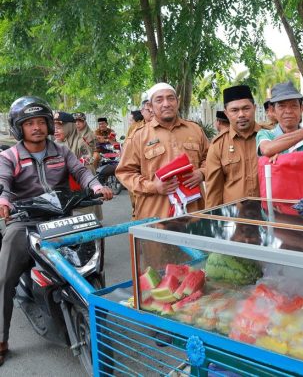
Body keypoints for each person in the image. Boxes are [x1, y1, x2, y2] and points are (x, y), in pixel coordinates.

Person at [0, 97, 113, 365]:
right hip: (23, 222)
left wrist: (96, 186)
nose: (36, 127)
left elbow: (82, 172)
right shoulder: (9, 156)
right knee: (4, 278)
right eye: (29, 123)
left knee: (92, 259)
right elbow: (3, 181)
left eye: (41, 122)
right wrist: (4, 200)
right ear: (19, 128)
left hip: (62, 218)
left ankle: (98, 311)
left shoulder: (62, 151)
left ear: (49, 125)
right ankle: (2, 337)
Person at [116, 83, 209, 219]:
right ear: (150, 106)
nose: (166, 104)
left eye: (171, 98)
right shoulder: (139, 136)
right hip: (156, 215)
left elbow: (211, 159)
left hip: (195, 212)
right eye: (159, 100)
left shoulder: (195, 130)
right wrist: (153, 186)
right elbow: (125, 172)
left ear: (177, 102)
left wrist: (201, 173)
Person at [206, 85, 266, 208]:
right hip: (234, 218)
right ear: (226, 113)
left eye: (246, 108)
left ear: (254, 108)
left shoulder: (269, 137)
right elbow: (213, 191)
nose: (241, 115)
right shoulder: (218, 145)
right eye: (234, 110)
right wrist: (215, 220)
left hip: (269, 215)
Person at [256, 81, 303, 158]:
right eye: (282, 106)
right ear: (273, 111)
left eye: (293, 105)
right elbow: (267, 149)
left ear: (301, 109)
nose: (288, 111)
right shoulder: (266, 134)